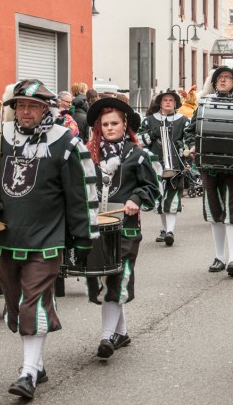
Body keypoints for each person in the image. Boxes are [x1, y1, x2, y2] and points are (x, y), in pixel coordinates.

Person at [0, 79, 97, 400]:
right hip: (6, 237)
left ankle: (26, 372)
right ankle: (36, 364)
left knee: (33, 302)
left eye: (33, 107)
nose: (26, 112)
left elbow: (80, 194)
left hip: (47, 238)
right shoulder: (0, 138)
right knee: (14, 306)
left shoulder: (65, 142)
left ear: (46, 109)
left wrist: (83, 240)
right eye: (21, 106)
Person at [86, 97, 159, 359]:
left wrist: (136, 199)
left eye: (114, 123)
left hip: (126, 229)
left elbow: (152, 187)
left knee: (118, 276)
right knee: (101, 278)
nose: (109, 127)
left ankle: (106, 337)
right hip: (96, 227)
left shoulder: (138, 155)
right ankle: (122, 332)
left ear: (124, 124)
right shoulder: (88, 154)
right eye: (105, 124)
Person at [185, 66, 233, 277]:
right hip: (209, 167)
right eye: (220, 77)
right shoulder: (203, 104)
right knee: (214, 211)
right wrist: (193, 145)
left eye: (227, 78)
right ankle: (219, 257)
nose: (222, 80)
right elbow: (190, 131)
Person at [138, 89, 189, 246]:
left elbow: (189, 140)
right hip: (155, 165)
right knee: (160, 198)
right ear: (160, 103)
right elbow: (139, 140)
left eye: (171, 100)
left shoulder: (184, 121)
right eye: (165, 100)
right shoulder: (148, 121)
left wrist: (182, 149)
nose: (168, 102)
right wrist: (152, 135)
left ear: (175, 103)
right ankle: (164, 228)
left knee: (172, 198)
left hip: (175, 165)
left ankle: (170, 231)